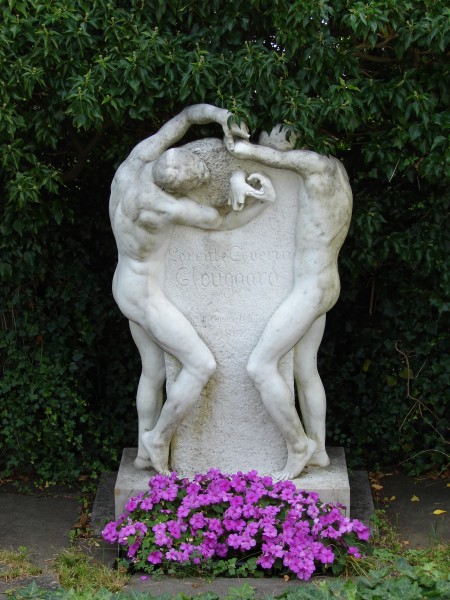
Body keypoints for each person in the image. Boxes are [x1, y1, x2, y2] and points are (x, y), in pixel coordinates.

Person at [109, 104, 276, 475]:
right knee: (201, 364)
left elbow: (184, 120)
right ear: (179, 189)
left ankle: (141, 452)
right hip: (144, 296)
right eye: (198, 176)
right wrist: (262, 204)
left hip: (125, 283)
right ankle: (158, 438)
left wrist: (222, 116)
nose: (203, 171)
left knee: (152, 371)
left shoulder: (133, 165)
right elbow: (220, 221)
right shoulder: (165, 207)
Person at [229, 128, 353, 480]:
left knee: (259, 366)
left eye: (274, 131)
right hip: (327, 282)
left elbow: (255, 154)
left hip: (310, 289)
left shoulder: (313, 163)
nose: (267, 136)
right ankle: (320, 451)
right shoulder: (337, 169)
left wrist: (238, 153)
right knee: (304, 368)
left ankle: (299, 445)